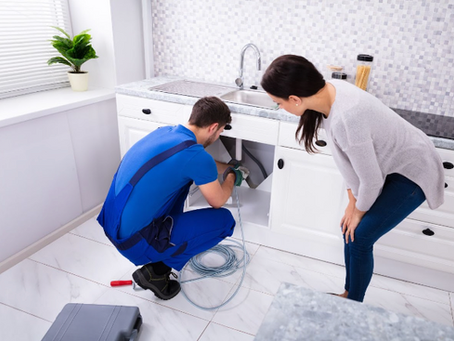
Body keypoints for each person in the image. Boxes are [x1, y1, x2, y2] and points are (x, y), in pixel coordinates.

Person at [261, 54, 445, 302]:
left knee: (359, 236)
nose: (279, 108)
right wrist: (352, 201)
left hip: (414, 169)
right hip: (390, 164)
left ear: (294, 99)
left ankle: (352, 304)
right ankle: (348, 294)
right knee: (349, 228)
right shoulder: (327, 93)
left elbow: (370, 181)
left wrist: (358, 210)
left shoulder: (347, 117)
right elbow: (350, 165)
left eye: (278, 103)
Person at [97, 96, 249, 300]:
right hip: (135, 243)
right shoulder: (196, 156)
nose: (220, 134)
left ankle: (160, 252)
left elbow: (197, 161)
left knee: (178, 184)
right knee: (224, 221)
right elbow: (218, 200)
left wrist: (225, 167)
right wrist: (232, 176)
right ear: (213, 127)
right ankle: (157, 273)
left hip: (113, 226)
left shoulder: (165, 133)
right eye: (221, 130)